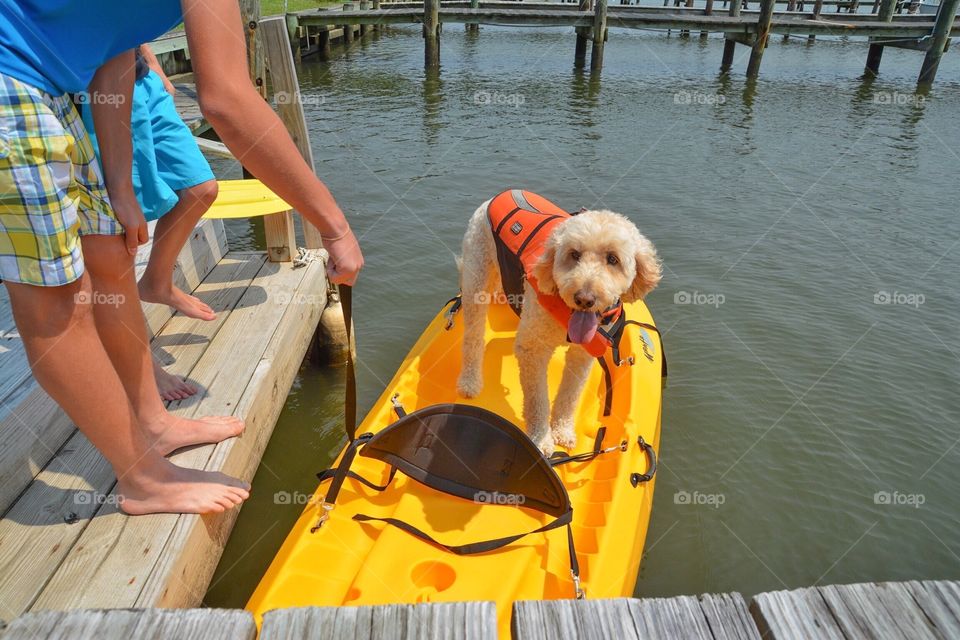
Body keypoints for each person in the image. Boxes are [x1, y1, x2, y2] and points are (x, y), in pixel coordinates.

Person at [0, 0, 364, 515]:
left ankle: (153, 422)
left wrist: (121, 187)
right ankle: (143, 478)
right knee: (57, 308)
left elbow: (114, 53)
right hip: (11, 84)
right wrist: (335, 227)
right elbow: (227, 103)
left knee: (110, 251)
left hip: (53, 91)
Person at [81, 44, 219, 402]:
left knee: (200, 188)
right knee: (119, 232)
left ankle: (157, 281)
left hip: (142, 78)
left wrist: (154, 62)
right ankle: (143, 364)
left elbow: (125, 16)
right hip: (94, 84)